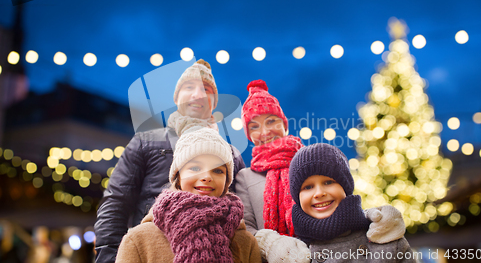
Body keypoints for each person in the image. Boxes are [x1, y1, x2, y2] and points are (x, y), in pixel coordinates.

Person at [235, 80, 406, 263]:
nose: (265, 131)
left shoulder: (310, 161)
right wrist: (274, 244)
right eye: (254, 126)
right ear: (248, 134)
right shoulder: (245, 177)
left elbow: (345, 203)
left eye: (271, 121)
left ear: (284, 124)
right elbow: (247, 228)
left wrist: (377, 219)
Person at [94, 59, 246, 263]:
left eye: (207, 89)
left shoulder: (231, 154)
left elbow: (243, 215)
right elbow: (116, 201)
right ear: (176, 97)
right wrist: (111, 258)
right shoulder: (146, 141)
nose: (198, 94)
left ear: (214, 103)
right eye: (189, 86)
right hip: (152, 253)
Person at [115, 127, 261, 263]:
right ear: (178, 176)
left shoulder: (246, 242)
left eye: (218, 171)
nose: (207, 177)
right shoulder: (138, 240)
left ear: (227, 181)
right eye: (195, 167)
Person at [289, 143, 414, 263]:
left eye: (328, 182)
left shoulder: (385, 239)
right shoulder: (291, 253)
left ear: (345, 187)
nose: (319, 193)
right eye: (308, 187)